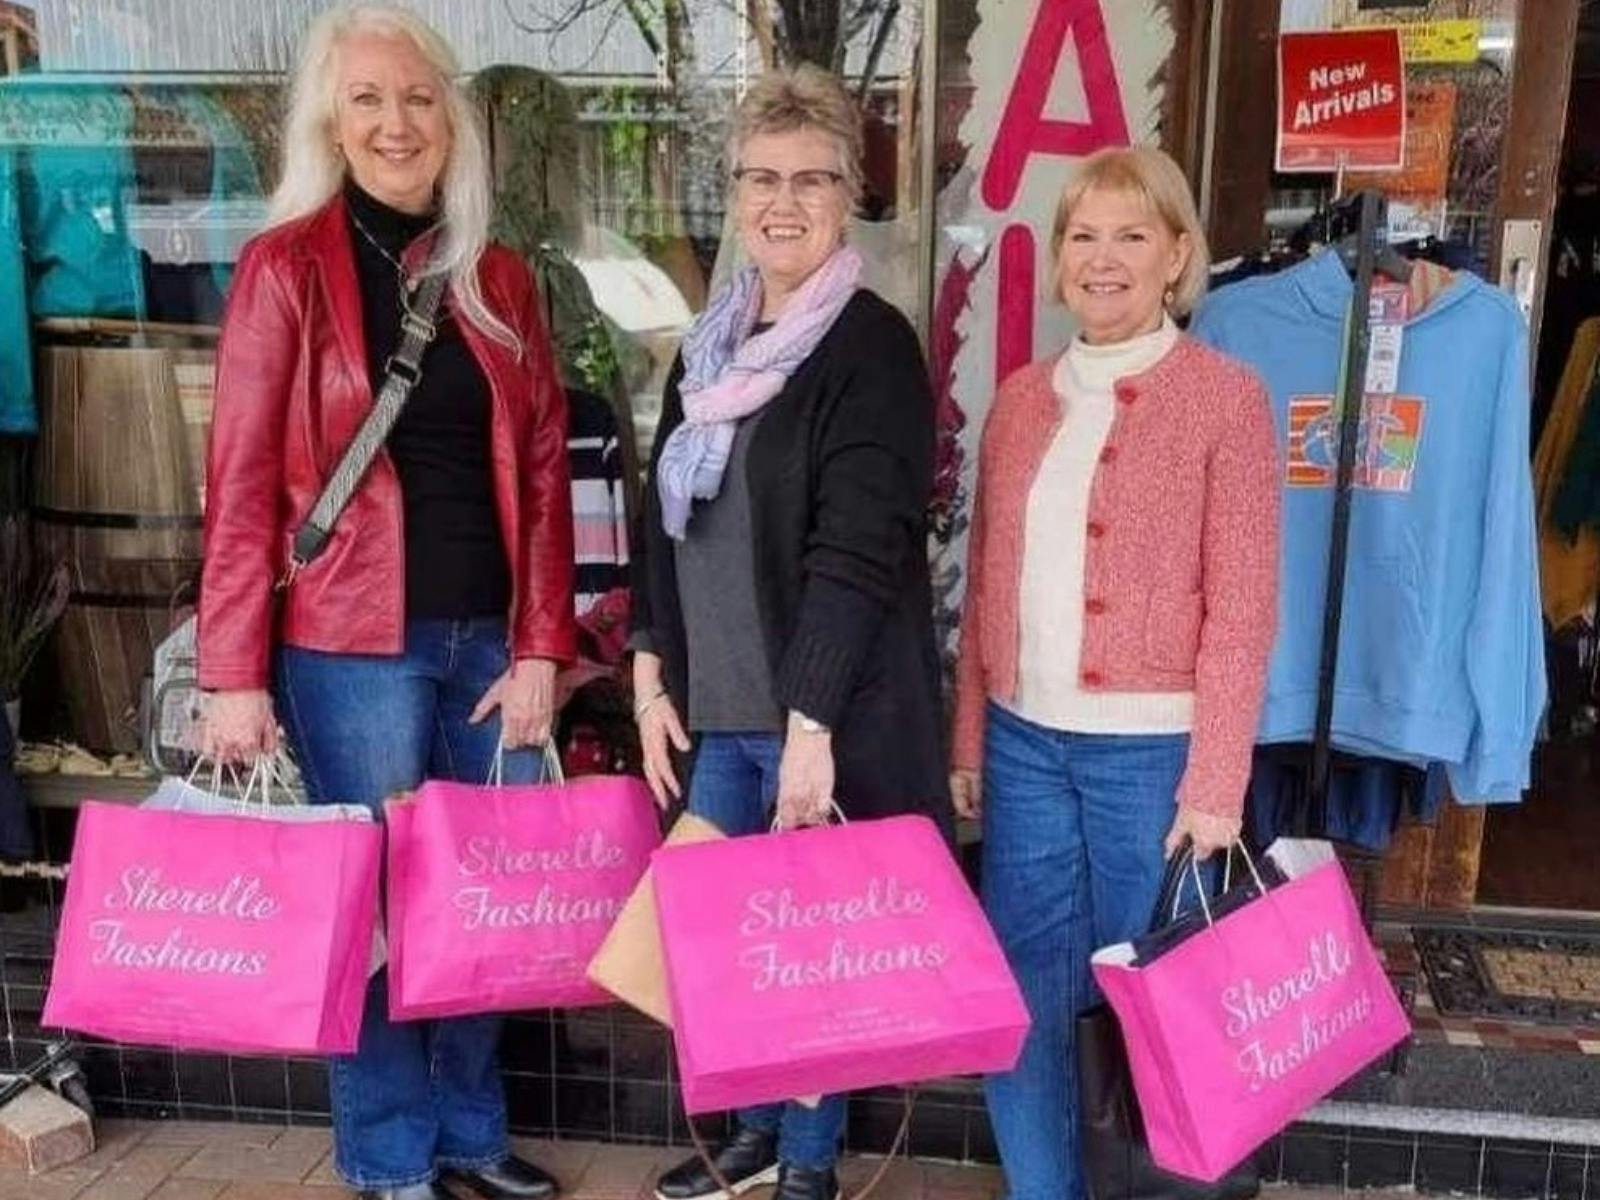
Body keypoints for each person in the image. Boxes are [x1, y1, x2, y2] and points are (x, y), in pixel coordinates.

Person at [196, 7, 575, 1199]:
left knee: (481, 901)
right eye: (367, 99)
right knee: (370, 908)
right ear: (331, 118)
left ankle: (469, 1133)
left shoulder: (497, 277)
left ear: (448, 118)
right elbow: (241, 481)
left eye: (416, 98)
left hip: (488, 644)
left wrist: (541, 646)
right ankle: (392, 1156)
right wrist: (231, 673)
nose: (395, 123)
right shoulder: (285, 267)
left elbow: (547, 475)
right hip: (349, 646)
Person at [628, 64, 951, 1200]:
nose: (783, 200)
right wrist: (647, 670)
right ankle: (757, 1135)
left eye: (812, 178)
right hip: (716, 714)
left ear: (848, 197)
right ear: (732, 193)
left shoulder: (869, 347)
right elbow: (660, 521)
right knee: (734, 946)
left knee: (813, 952)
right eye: (761, 177)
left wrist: (811, 726)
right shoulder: (708, 349)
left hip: (816, 719)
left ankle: (808, 1166)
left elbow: (857, 551)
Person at [949, 146, 1279, 1200]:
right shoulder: (1017, 401)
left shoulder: (1226, 399)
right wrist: (970, 739)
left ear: (1176, 255)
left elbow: (1242, 607)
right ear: (1057, 259)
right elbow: (985, 587)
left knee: (1152, 1001)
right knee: (1026, 994)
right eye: (1082, 235)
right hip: (1023, 745)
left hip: (1153, 758)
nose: (1103, 258)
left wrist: (1216, 782)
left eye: (1131, 235)